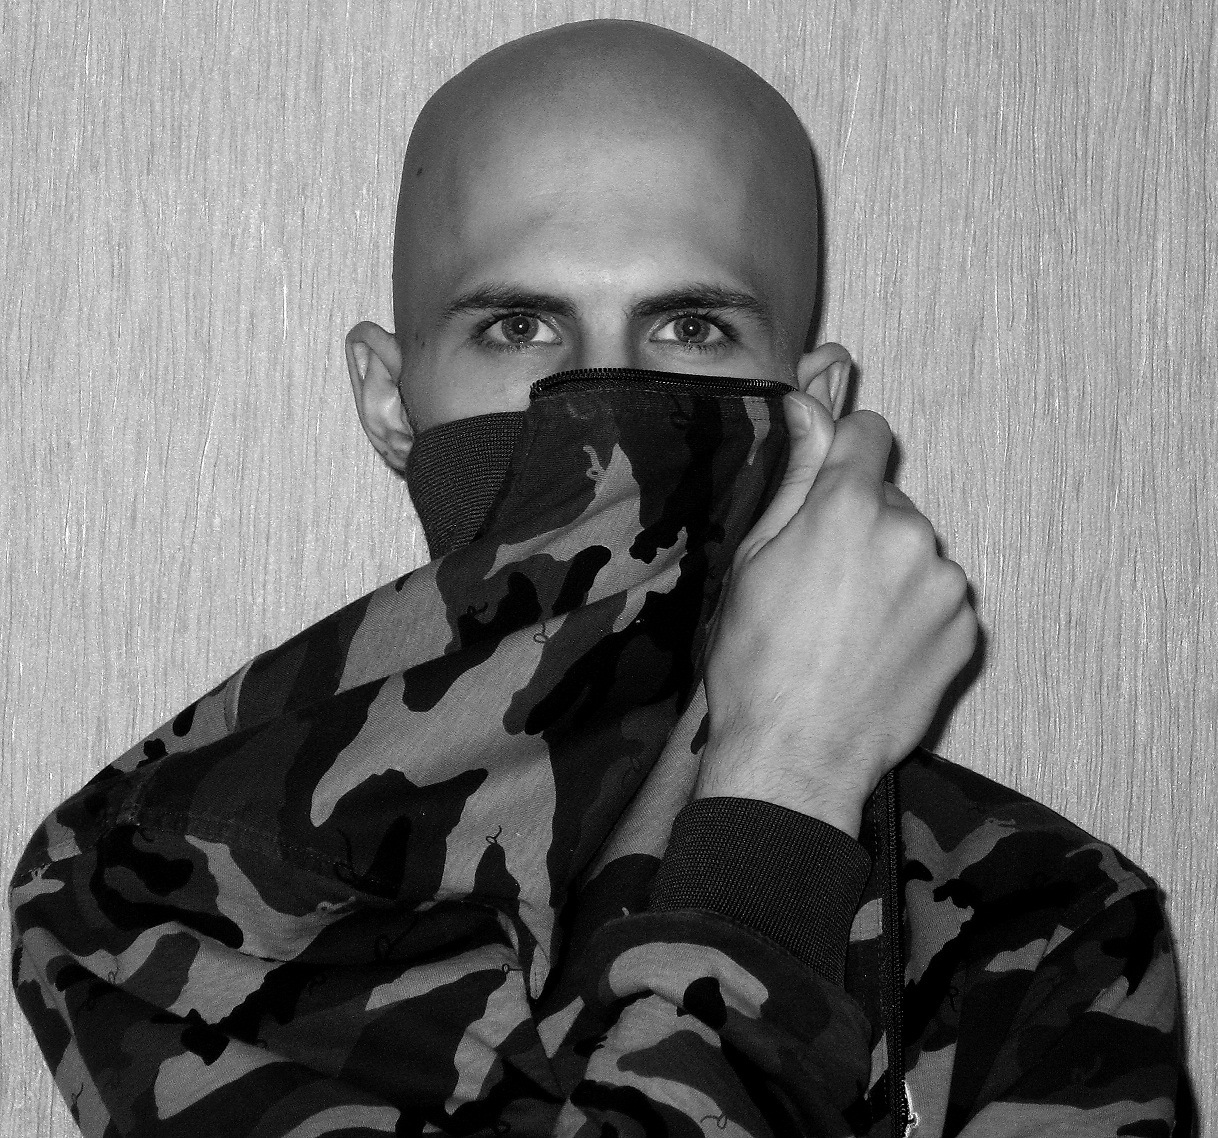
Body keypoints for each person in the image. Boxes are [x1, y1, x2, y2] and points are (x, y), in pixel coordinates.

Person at [10, 17, 1188, 1138]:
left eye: (692, 329)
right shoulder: (166, 881)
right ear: (390, 399)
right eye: (520, 328)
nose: (608, 404)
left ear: (812, 408)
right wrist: (786, 790)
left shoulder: (1039, 920)